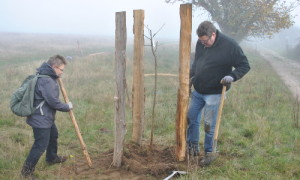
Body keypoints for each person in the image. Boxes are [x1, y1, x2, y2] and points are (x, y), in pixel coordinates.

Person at [187, 21, 250, 166]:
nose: (203, 44)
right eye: (201, 41)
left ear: (213, 34)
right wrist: (191, 75)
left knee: (209, 125)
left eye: (205, 41)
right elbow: (198, 62)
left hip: (215, 93)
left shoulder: (230, 45)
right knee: (191, 118)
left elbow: (244, 65)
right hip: (199, 90)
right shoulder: (201, 42)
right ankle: (192, 147)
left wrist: (232, 76)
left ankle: (209, 153)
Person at [21, 55, 73, 178]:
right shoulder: (47, 80)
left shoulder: (48, 76)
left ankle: (51, 157)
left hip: (45, 117)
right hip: (40, 119)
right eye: (61, 70)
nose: (62, 72)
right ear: (54, 67)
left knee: (53, 135)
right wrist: (67, 106)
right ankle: (26, 173)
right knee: (40, 145)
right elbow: (53, 102)